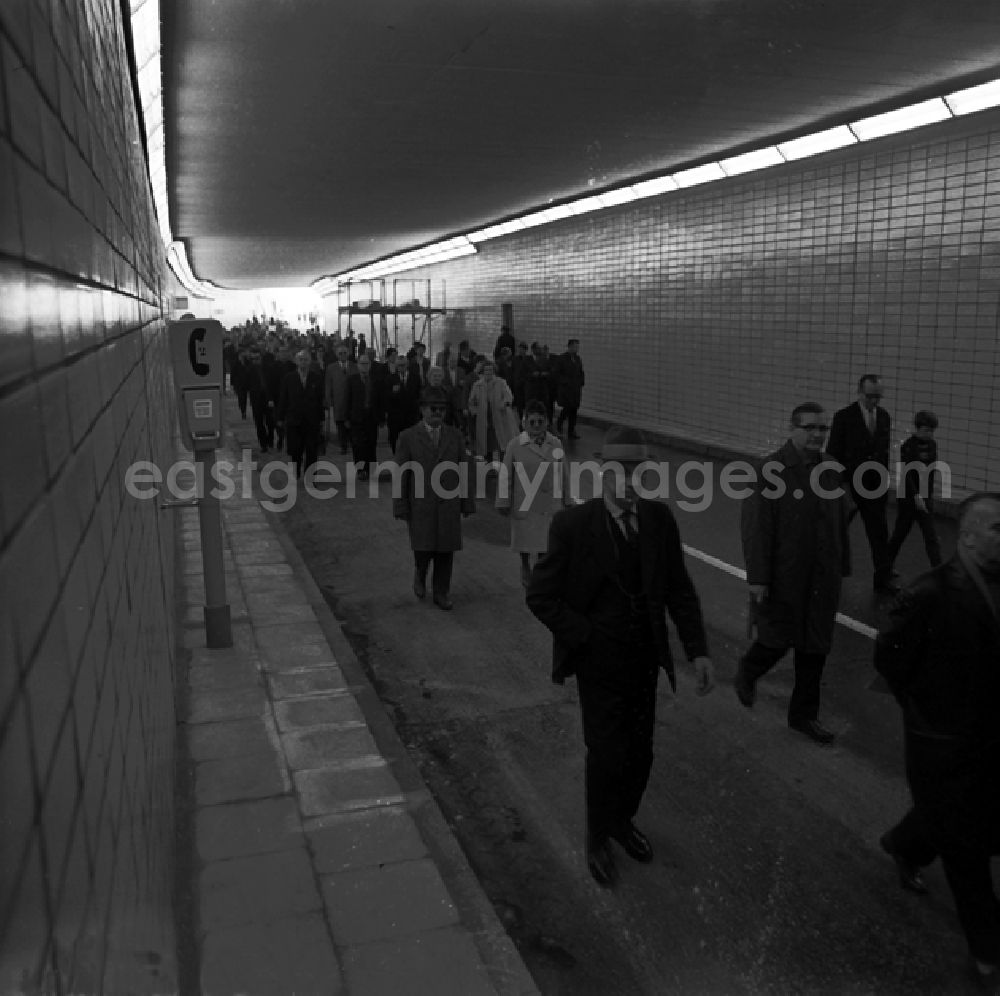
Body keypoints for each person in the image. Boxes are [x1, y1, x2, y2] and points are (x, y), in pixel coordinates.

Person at [526, 425, 715, 887]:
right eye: (620, 470)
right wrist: (583, 635)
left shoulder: (658, 520)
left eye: (637, 471)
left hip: (643, 660)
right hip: (598, 664)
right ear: (602, 471)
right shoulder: (573, 525)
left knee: (641, 754)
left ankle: (622, 820)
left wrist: (697, 651)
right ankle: (596, 837)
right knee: (606, 753)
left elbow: (678, 589)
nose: (629, 479)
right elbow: (541, 595)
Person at [875, 493, 1000, 988]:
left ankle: (903, 844)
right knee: (966, 845)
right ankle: (988, 947)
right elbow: (890, 659)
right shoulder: (930, 592)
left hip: (989, 737)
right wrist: (925, 709)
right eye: (997, 528)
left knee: (954, 816)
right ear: (967, 535)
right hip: (941, 741)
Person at [734, 402, 851, 745]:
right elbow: (756, 528)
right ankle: (749, 670)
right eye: (810, 428)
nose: (817, 434)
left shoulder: (830, 468)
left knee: (816, 644)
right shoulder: (771, 469)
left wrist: (842, 564)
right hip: (786, 573)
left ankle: (803, 716)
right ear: (792, 428)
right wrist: (758, 578)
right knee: (778, 636)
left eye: (822, 429)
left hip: (822, 574)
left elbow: (838, 520)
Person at [393, 387, 476, 610]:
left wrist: (467, 501)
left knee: (445, 551)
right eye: (433, 408)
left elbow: (465, 470)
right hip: (420, 504)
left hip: (448, 504)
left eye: (442, 409)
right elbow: (401, 474)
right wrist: (400, 504)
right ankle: (420, 574)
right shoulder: (408, 437)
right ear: (422, 410)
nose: (438, 413)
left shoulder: (455, 436)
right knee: (423, 549)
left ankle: (441, 591)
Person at [827, 374, 895, 593]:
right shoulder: (844, 417)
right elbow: (833, 453)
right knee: (836, 531)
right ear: (859, 393)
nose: (874, 401)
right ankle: (827, 572)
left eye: (878, 397)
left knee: (879, 533)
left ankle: (883, 578)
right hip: (849, 485)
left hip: (874, 486)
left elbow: (883, 453)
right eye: (870, 396)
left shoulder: (884, 417)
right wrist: (839, 486)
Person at [496, 400, 573, 587]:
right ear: (524, 423)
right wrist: (503, 501)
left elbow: (564, 472)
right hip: (524, 499)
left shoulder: (555, 443)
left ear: (547, 422)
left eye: (541, 421)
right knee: (524, 537)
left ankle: (541, 570)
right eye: (532, 422)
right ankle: (524, 565)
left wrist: (568, 498)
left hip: (548, 501)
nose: (537, 426)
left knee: (546, 540)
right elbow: (505, 475)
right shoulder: (515, 445)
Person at [887, 410, 943, 573]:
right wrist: (916, 496)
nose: (929, 434)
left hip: (925, 496)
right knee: (900, 534)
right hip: (908, 496)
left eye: (932, 431)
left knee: (931, 536)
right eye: (926, 430)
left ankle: (938, 571)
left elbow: (931, 471)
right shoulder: (908, 446)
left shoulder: (932, 445)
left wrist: (927, 496)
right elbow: (908, 473)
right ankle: (886, 566)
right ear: (917, 428)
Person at [277, 349, 325, 477]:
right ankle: (296, 471)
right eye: (301, 360)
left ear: (310, 362)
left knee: (312, 451)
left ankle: (310, 476)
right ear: (296, 362)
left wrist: (321, 419)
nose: (303, 362)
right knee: (295, 450)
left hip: (311, 420)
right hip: (294, 420)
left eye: (306, 359)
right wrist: (280, 418)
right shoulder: (289, 378)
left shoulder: (316, 378)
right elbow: (283, 398)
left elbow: (320, 399)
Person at [467, 359, 517, 461]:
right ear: (483, 371)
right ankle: (489, 466)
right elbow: (471, 401)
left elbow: (509, 396)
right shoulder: (477, 385)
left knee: (502, 442)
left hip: (500, 416)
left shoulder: (501, 382)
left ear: (494, 371)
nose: (488, 372)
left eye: (490, 370)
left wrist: (504, 404)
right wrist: (475, 411)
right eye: (486, 370)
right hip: (484, 418)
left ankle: (505, 465)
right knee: (486, 444)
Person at [346, 354, 380, 481]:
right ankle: (360, 469)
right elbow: (347, 399)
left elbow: (379, 400)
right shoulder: (352, 380)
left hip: (371, 416)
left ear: (370, 365)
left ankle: (371, 469)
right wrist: (346, 418)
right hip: (356, 417)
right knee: (358, 444)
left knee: (371, 443)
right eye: (362, 364)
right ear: (358, 365)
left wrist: (381, 416)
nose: (365, 366)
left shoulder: (375, 380)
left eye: (367, 364)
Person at [381, 353, 419, 453]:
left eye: (403, 365)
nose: (401, 367)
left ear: (407, 365)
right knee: (395, 441)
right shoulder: (390, 379)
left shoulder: (415, 378)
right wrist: (393, 392)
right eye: (399, 365)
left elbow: (418, 395)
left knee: (412, 442)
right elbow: (385, 397)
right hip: (395, 417)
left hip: (411, 417)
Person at [324, 344, 356, 455]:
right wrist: (328, 400)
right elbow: (328, 385)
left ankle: (352, 442)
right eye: (340, 353)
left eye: (344, 353)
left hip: (352, 400)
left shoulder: (354, 366)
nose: (343, 355)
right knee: (340, 423)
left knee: (351, 422)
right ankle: (343, 445)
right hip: (338, 400)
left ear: (348, 354)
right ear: (337, 355)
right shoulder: (331, 368)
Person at [554, 338, 585, 439]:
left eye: (578, 347)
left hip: (575, 389)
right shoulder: (562, 358)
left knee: (574, 410)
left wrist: (581, 382)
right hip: (566, 389)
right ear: (570, 346)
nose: (577, 349)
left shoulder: (577, 358)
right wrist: (565, 382)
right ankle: (559, 424)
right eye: (575, 346)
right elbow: (557, 374)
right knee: (567, 408)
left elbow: (581, 371)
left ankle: (571, 431)